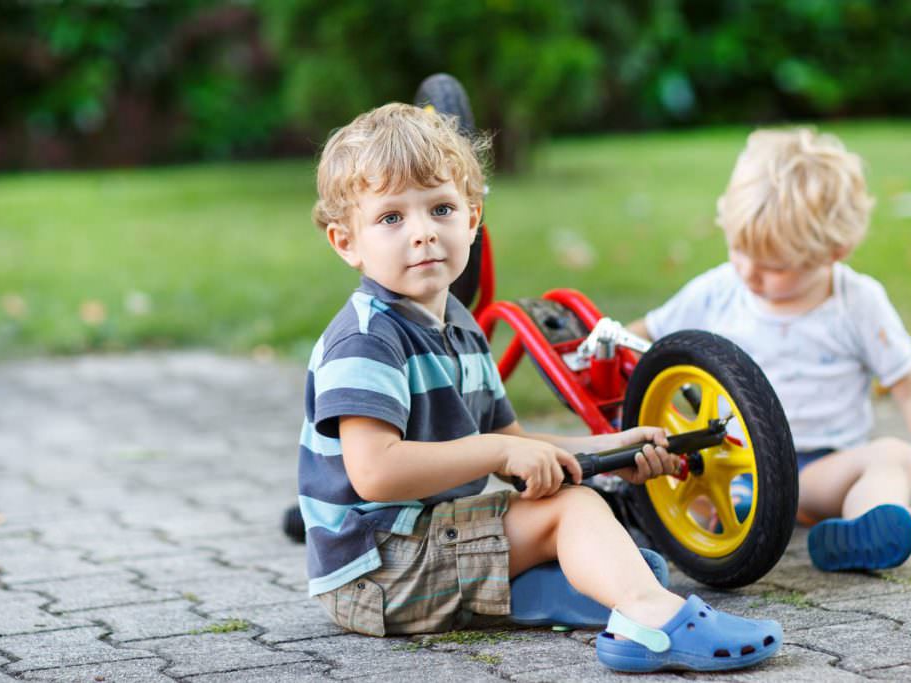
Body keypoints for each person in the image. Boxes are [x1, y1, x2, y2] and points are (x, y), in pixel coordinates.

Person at [297, 102, 781, 673]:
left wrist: (616, 449)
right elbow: (375, 471)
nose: (424, 233)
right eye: (391, 219)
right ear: (346, 241)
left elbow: (516, 444)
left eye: (441, 208)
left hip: (416, 549)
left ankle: (545, 594)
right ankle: (651, 620)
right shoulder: (367, 338)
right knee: (573, 513)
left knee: (595, 530)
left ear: (472, 220)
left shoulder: (459, 325)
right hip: (378, 569)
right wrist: (504, 451)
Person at [627, 128, 911, 572]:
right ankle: (703, 522)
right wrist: (598, 342)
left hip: (823, 472)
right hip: (735, 466)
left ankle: (865, 528)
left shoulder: (856, 302)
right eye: (738, 249)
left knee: (895, 456)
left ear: (836, 250)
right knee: (673, 476)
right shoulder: (718, 290)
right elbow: (644, 337)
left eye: (774, 266)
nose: (748, 272)